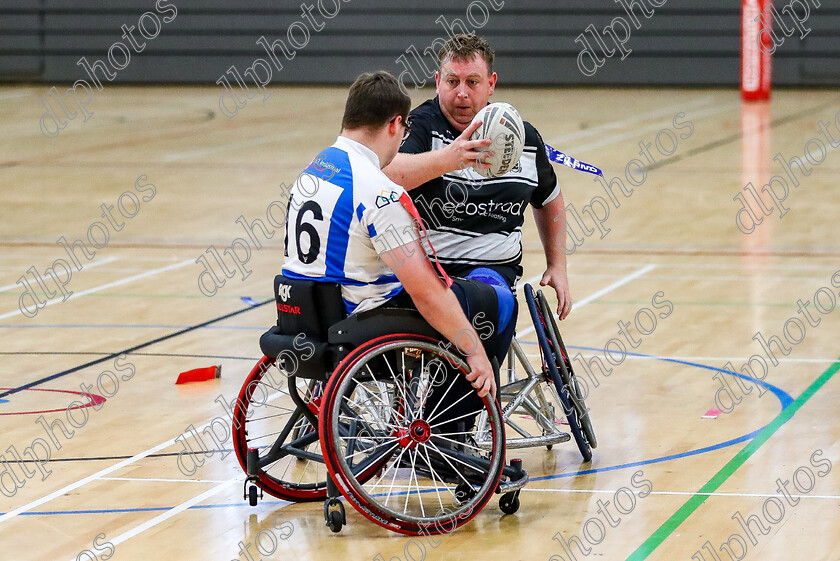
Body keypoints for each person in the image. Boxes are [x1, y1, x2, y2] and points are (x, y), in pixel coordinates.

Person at [282, 70, 515, 401]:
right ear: (394, 125)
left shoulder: (315, 168)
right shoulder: (380, 193)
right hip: (361, 322)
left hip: (303, 313)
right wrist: (474, 351)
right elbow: (426, 293)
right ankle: (451, 427)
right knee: (496, 300)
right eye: (403, 131)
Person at [382, 33, 573, 321]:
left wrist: (557, 265)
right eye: (452, 81)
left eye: (472, 82)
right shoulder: (421, 126)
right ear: (437, 82)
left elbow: (549, 197)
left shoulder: (522, 138)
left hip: (493, 275)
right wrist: (446, 160)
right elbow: (387, 172)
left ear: (491, 84)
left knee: (477, 301)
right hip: (429, 273)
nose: (462, 92)